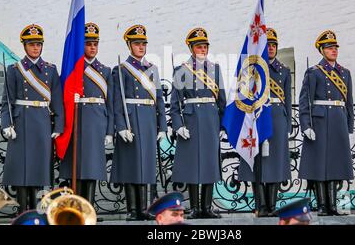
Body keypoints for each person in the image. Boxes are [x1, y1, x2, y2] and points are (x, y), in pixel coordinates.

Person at [1, 24, 64, 214]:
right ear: (24, 46)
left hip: (43, 124)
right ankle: (23, 212)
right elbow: (7, 101)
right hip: (20, 124)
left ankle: (38, 212)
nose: (36, 48)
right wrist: (6, 124)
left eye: (38, 44)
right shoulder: (14, 70)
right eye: (31, 44)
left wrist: (59, 125)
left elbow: (57, 101)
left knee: (39, 169)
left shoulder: (50, 70)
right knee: (22, 170)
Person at [110, 24, 167, 221]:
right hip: (131, 119)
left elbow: (158, 99)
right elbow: (116, 101)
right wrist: (122, 126)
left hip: (149, 119)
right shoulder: (121, 69)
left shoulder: (153, 69)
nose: (141, 47)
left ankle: (147, 208)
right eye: (137, 44)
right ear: (129, 45)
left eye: (143, 43)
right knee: (131, 165)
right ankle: (133, 210)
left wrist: (163, 125)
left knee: (147, 165)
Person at [170, 27, 227, 219]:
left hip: (211, 119)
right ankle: (195, 207)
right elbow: (175, 104)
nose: (203, 49)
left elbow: (222, 101)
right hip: (192, 120)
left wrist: (222, 126)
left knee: (210, 163)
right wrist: (178, 126)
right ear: (191, 49)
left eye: (205, 46)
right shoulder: (181, 71)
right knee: (193, 165)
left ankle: (207, 207)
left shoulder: (215, 69)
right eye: (199, 47)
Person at [298, 30, 354, 216]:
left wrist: (349, 124)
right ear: (321, 50)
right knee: (319, 165)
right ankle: (323, 205)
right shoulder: (314, 72)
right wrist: (306, 125)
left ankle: (333, 206)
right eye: (329, 48)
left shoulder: (345, 73)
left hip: (338, 120)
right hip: (320, 122)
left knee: (335, 163)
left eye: (335, 47)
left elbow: (349, 101)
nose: (333, 50)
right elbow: (305, 100)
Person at [238, 28, 292, 217]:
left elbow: (288, 99)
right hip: (257, 117)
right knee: (257, 161)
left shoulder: (284, 71)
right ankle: (260, 205)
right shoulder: (253, 70)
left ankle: (272, 205)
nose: (271, 48)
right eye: (268, 45)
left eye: (274, 45)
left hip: (278, 117)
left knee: (275, 162)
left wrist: (289, 123)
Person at [59, 22, 114, 205]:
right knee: (76, 166)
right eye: (88, 43)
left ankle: (89, 207)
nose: (92, 47)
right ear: (81, 45)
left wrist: (109, 131)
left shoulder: (105, 71)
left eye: (95, 44)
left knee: (92, 167)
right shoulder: (72, 69)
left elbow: (111, 104)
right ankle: (76, 207)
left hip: (97, 121)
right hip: (76, 121)